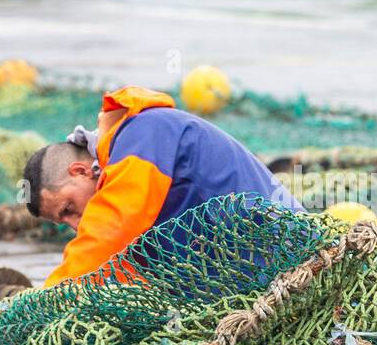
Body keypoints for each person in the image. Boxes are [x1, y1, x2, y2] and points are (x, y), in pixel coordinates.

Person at [23, 86, 299, 286]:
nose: (74, 224)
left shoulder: (140, 135)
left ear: (81, 171)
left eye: (68, 208)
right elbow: (118, 272)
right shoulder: (138, 196)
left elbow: (110, 235)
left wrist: (39, 303)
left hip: (294, 263)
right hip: (264, 274)